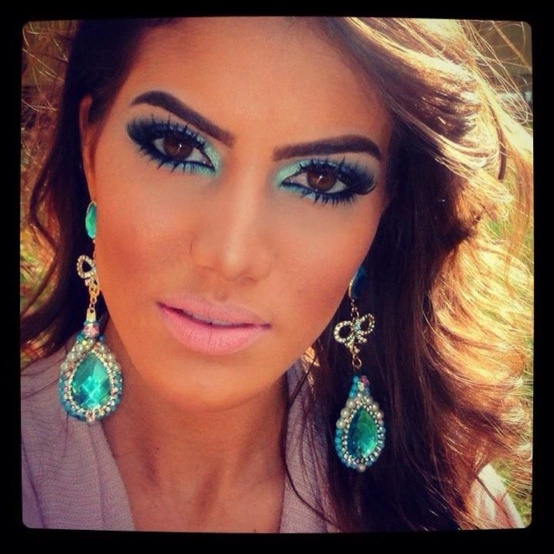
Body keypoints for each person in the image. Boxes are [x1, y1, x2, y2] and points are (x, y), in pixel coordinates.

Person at [20, 17, 533, 532]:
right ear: (91, 148)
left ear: (382, 214)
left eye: (320, 179)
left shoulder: (457, 506)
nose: (230, 256)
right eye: (177, 147)